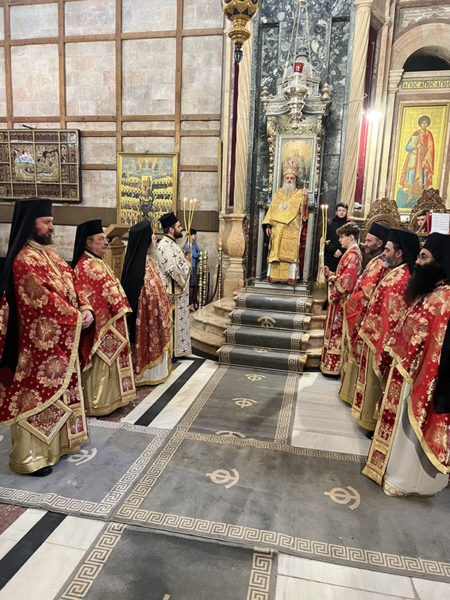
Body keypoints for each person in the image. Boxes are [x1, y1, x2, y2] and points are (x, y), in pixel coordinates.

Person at [0, 198, 93, 475]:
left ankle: (59, 446)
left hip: (61, 339)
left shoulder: (51, 255)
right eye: (47, 222)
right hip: (36, 346)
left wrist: (86, 307)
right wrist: (76, 317)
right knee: (36, 397)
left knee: (61, 394)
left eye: (51, 221)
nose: (52, 226)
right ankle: (30, 458)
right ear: (31, 224)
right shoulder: (23, 261)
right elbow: (42, 302)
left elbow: (74, 282)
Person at [363, 233, 450, 495]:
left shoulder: (444, 300)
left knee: (410, 436)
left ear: (440, 262)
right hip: (404, 373)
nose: (418, 262)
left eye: (424, 257)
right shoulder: (430, 292)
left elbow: (439, 349)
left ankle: (409, 481)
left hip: (420, 381)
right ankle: (391, 471)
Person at [350, 228, 420, 432]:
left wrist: (378, 337)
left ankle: (372, 422)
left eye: (388, 250)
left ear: (399, 253)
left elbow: (393, 314)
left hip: (381, 340)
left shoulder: (402, 277)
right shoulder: (396, 272)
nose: (384, 254)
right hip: (375, 335)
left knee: (377, 382)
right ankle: (367, 418)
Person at [72, 220, 136, 416]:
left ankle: (114, 399)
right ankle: (98, 403)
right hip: (101, 325)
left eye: (105, 239)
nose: (105, 242)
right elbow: (88, 296)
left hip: (113, 320)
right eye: (101, 239)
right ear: (88, 242)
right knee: (102, 361)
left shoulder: (98, 261)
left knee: (113, 361)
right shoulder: (84, 266)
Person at [338, 223, 390, 404]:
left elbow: (366, 292)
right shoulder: (376, 260)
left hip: (364, 315)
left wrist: (351, 302)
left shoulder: (380, 264)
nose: (365, 244)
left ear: (379, 243)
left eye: (368, 241)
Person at [121, 221, 173, 385]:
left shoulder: (149, 261)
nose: (155, 240)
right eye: (152, 237)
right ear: (145, 241)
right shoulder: (137, 268)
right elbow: (140, 296)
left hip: (154, 317)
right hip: (144, 319)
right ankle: (145, 374)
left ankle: (155, 372)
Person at [320, 222, 362, 375]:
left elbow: (346, 284)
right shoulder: (351, 253)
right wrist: (331, 274)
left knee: (337, 333)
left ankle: (334, 366)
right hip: (341, 301)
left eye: (342, 237)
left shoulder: (352, 255)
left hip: (343, 303)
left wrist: (331, 280)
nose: (339, 240)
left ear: (351, 237)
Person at [262, 158, 308, 283]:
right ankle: (274, 276)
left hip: (291, 228)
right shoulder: (278, 193)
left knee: (289, 253)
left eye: (292, 178)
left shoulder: (299, 194)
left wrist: (305, 198)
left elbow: (304, 213)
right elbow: (272, 209)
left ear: (295, 180)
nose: (289, 180)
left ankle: (290, 277)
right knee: (275, 251)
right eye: (287, 178)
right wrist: (268, 225)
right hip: (277, 229)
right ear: (284, 179)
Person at [158, 212, 192, 358]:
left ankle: (178, 349)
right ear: (171, 229)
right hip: (173, 293)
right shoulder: (166, 246)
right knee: (172, 322)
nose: (181, 228)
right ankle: (172, 351)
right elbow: (173, 269)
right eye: (178, 226)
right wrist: (187, 266)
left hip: (177, 292)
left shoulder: (172, 244)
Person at [398, 115, 434, 207]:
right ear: (420, 124)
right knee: (412, 175)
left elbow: (431, 148)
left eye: (426, 123)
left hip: (424, 159)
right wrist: (415, 147)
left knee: (423, 176)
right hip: (415, 158)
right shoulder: (416, 133)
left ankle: (421, 197)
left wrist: (426, 159)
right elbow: (407, 147)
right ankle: (410, 195)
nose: (424, 124)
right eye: (423, 122)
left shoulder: (429, 134)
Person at [324, 203, 349, 272]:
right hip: (331, 255)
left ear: (346, 212)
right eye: (339, 210)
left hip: (344, 254)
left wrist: (341, 251)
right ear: (336, 212)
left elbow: (350, 241)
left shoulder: (349, 225)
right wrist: (334, 250)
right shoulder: (330, 223)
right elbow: (326, 239)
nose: (341, 212)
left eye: (343, 210)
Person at [183, 228, 200, 305]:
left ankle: (191, 302)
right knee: (191, 284)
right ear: (191, 235)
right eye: (195, 234)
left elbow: (198, 251)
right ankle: (189, 303)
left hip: (195, 265)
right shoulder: (188, 244)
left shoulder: (194, 244)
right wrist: (199, 254)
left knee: (194, 283)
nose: (196, 236)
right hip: (191, 265)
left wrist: (198, 253)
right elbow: (195, 254)